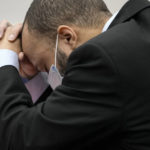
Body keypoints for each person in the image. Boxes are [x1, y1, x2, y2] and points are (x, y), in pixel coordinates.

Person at [0, 0, 150, 149]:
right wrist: (32, 79)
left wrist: (5, 59)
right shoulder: (140, 25)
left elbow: (21, 140)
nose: (48, 75)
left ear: (67, 37)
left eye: (45, 68)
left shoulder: (102, 60)